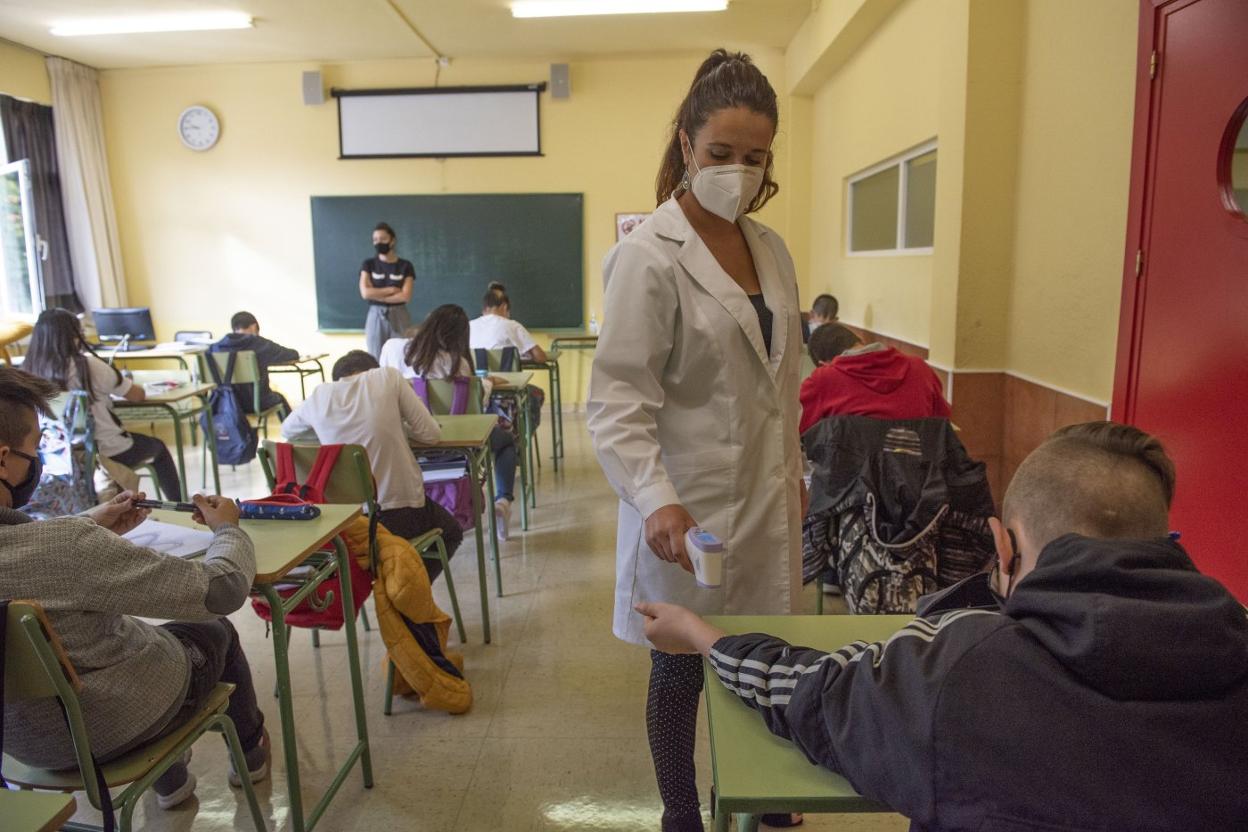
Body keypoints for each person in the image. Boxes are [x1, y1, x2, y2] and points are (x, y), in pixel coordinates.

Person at [637, 421, 1248, 831]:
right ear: (1165, 541)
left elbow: (807, 690)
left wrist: (700, 634)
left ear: (1002, 549)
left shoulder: (959, 671)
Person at [587, 49, 806, 832]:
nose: (737, 173)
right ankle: (681, 813)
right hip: (688, 511)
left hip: (770, 496)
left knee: (767, 659)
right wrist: (657, 501)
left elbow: (785, 381)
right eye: (721, 154)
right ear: (686, 143)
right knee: (681, 669)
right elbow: (616, 402)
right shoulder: (648, 257)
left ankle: (769, 799)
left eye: (756, 159)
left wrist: (800, 472)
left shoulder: (771, 249)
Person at [0, 367, 269, 809]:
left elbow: (29, 555)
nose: (40, 458)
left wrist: (86, 525)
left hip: (20, 747)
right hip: (104, 729)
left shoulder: (63, 542)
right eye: (35, 447)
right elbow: (222, 590)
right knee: (216, 629)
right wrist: (229, 532)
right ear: (4, 459)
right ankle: (251, 755)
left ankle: (173, 782)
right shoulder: (67, 548)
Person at [281, 350, 463, 579]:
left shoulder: (319, 395)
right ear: (372, 369)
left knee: (371, 554)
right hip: (399, 515)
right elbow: (430, 434)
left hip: (347, 525)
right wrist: (398, 426)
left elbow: (288, 431)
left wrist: (330, 432)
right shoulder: (387, 377)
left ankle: (397, 587)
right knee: (453, 532)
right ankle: (408, 593)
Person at [24, 308, 182, 501]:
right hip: (106, 452)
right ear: (74, 335)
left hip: (58, 457)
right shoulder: (88, 366)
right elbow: (137, 395)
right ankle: (178, 503)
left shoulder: (27, 371)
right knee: (159, 448)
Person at [402, 304, 520, 541]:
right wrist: (485, 383)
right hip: (461, 444)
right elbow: (476, 403)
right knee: (507, 442)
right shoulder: (458, 363)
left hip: (418, 445)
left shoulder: (409, 358)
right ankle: (504, 500)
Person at [799, 322, 951, 434]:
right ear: (860, 342)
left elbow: (794, 429)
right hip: (920, 474)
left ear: (823, 364)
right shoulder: (920, 368)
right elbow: (944, 423)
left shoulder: (823, 380)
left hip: (851, 476)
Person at [209, 311, 300, 417]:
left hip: (224, 402)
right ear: (254, 327)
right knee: (279, 398)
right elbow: (292, 354)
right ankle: (294, 432)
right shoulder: (258, 343)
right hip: (255, 402)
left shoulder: (214, 348)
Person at [359, 221, 415, 358]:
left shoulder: (405, 265)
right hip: (376, 314)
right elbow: (365, 293)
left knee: (403, 353)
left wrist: (377, 295)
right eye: (375, 240)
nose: (379, 243)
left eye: (383, 239)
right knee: (375, 355)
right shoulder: (369, 264)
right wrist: (391, 290)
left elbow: (405, 296)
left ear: (392, 241)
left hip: (400, 314)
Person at [469, 287, 548, 364]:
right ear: (504, 306)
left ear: (485, 308)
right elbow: (540, 357)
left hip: (476, 376)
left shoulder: (469, 326)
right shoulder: (513, 326)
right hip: (505, 376)